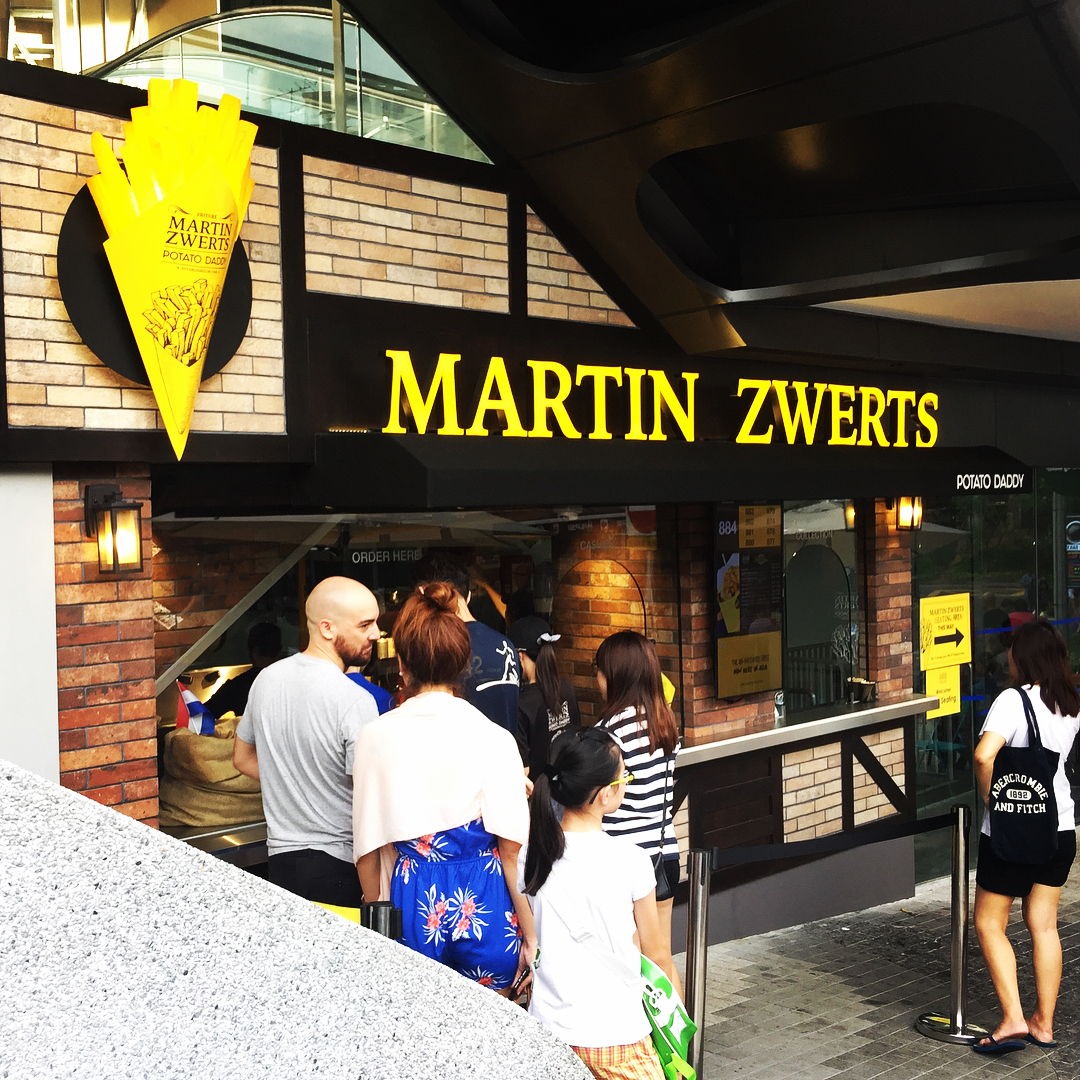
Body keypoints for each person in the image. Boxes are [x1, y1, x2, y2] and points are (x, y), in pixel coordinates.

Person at [352, 582, 535, 993]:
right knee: (491, 1022)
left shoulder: (375, 736)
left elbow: (366, 847)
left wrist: (375, 910)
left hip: (413, 897)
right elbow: (512, 850)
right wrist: (532, 935)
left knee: (417, 1019)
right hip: (486, 896)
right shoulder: (493, 736)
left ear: (402, 663)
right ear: (462, 664)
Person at [522, 726, 670, 1080]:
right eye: (624, 777)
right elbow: (657, 954)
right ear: (605, 794)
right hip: (617, 1035)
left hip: (548, 1035)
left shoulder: (531, 856)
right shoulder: (631, 860)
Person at [233, 576, 382, 906]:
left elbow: (241, 758)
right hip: (341, 867)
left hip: (281, 864)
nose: (376, 633)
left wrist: (293, 782)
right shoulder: (355, 700)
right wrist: (375, 897)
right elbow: (370, 802)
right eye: (365, 624)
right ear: (327, 628)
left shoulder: (266, 680)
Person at [971, 618, 1080, 1055]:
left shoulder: (1013, 700)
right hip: (1060, 826)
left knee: (988, 922)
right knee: (1044, 924)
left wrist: (992, 799)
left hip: (1013, 830)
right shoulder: (1069, 702)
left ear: (1022, 656)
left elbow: (984, 755)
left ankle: (1013, 1018)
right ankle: (1043, 1024)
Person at [595, 629, 683, 996]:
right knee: (662, 958)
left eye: (599, 672)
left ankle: (646, 1032)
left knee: (633, 963)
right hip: (665, 851)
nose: (597, 680)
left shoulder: (609, 734)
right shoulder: (664, 723)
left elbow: (601, 800)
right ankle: (680, 1032)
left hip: (627, 860)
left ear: (615, 675)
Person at [415, 555, 520, 733]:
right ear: (469, 596)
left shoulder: (439, 648)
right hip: (506, 748)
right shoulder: (506, 645)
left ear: (426, 595)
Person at [508, 615, 580, 776]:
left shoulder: (521, 702)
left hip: (539, 788)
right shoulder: (566, 687)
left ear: (519, 656)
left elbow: (523, 769)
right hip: (570, 782)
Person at [204, 621, 284, 720]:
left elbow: (202, 716)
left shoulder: (237, 687)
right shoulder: (291, 680)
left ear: (253, 652)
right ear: (280, 652)